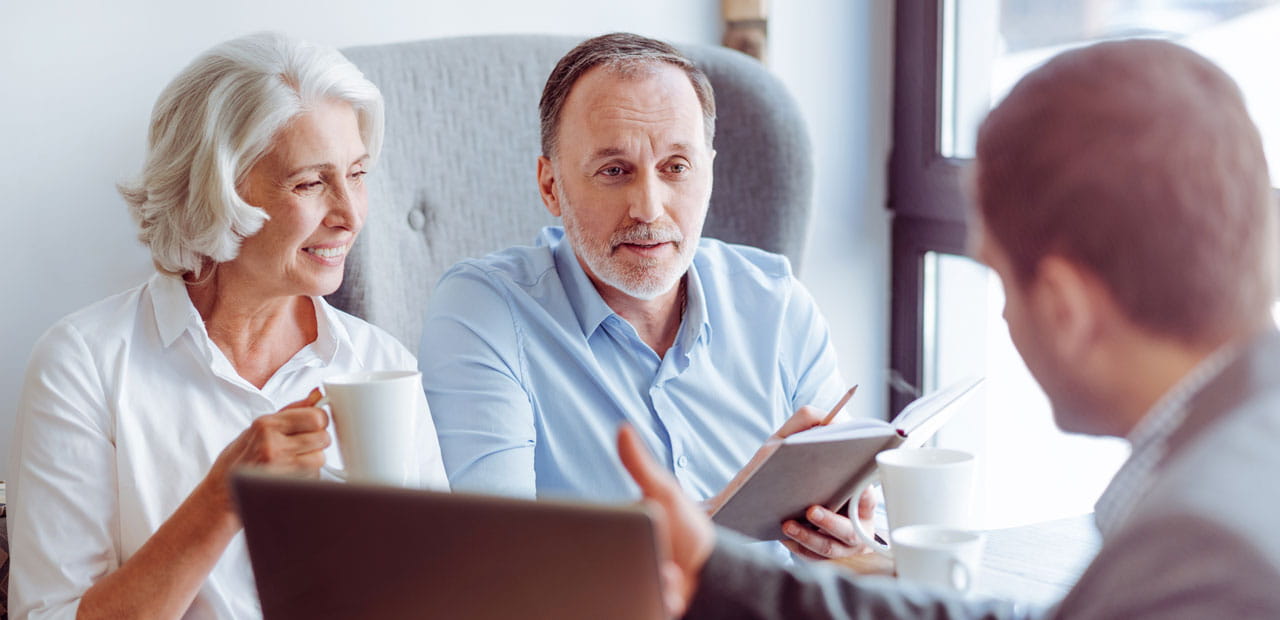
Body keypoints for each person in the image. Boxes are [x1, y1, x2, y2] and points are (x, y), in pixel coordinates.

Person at [618, 38, 1280, 619]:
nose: (1000, 315)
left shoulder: (1206, 550)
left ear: (1064, 307)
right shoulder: (1238, 453)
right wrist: (719, 569)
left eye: (997, 278)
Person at [8, 32, 448, 620]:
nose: (350, 215)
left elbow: (446, 591)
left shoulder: (381, 366)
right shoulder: (84, 365)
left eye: (358, 173)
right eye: (311, 182)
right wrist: (222, 499)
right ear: (218, 191)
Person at [419, 31, 871, 561]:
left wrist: (847, 538)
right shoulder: (484, 311)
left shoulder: (776, 301)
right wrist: (737, 509)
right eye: (614, 171)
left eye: (676, 168)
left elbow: (856, 538)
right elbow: (499, 560)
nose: (649, 209)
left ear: (708, 172)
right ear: (550, 186)